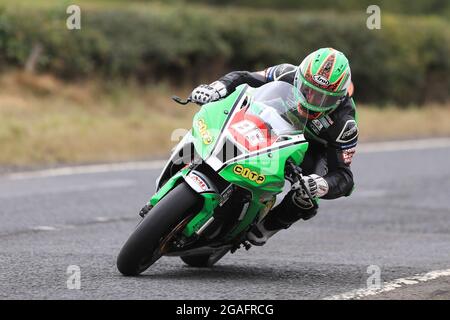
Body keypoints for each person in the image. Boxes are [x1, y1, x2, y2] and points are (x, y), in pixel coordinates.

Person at [189, 48, 358, 245]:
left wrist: (322, 185)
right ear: (299, 78)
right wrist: (217, 87)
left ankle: (269, 225)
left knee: (306, 194)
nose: (311, 100)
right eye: (307, 89)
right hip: (274, 122)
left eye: (322, 98)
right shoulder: (286, 72)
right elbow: (245, 77)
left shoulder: (345, 123)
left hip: (311, 149)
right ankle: (194, 161)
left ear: (338, 98)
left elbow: (345, 177)